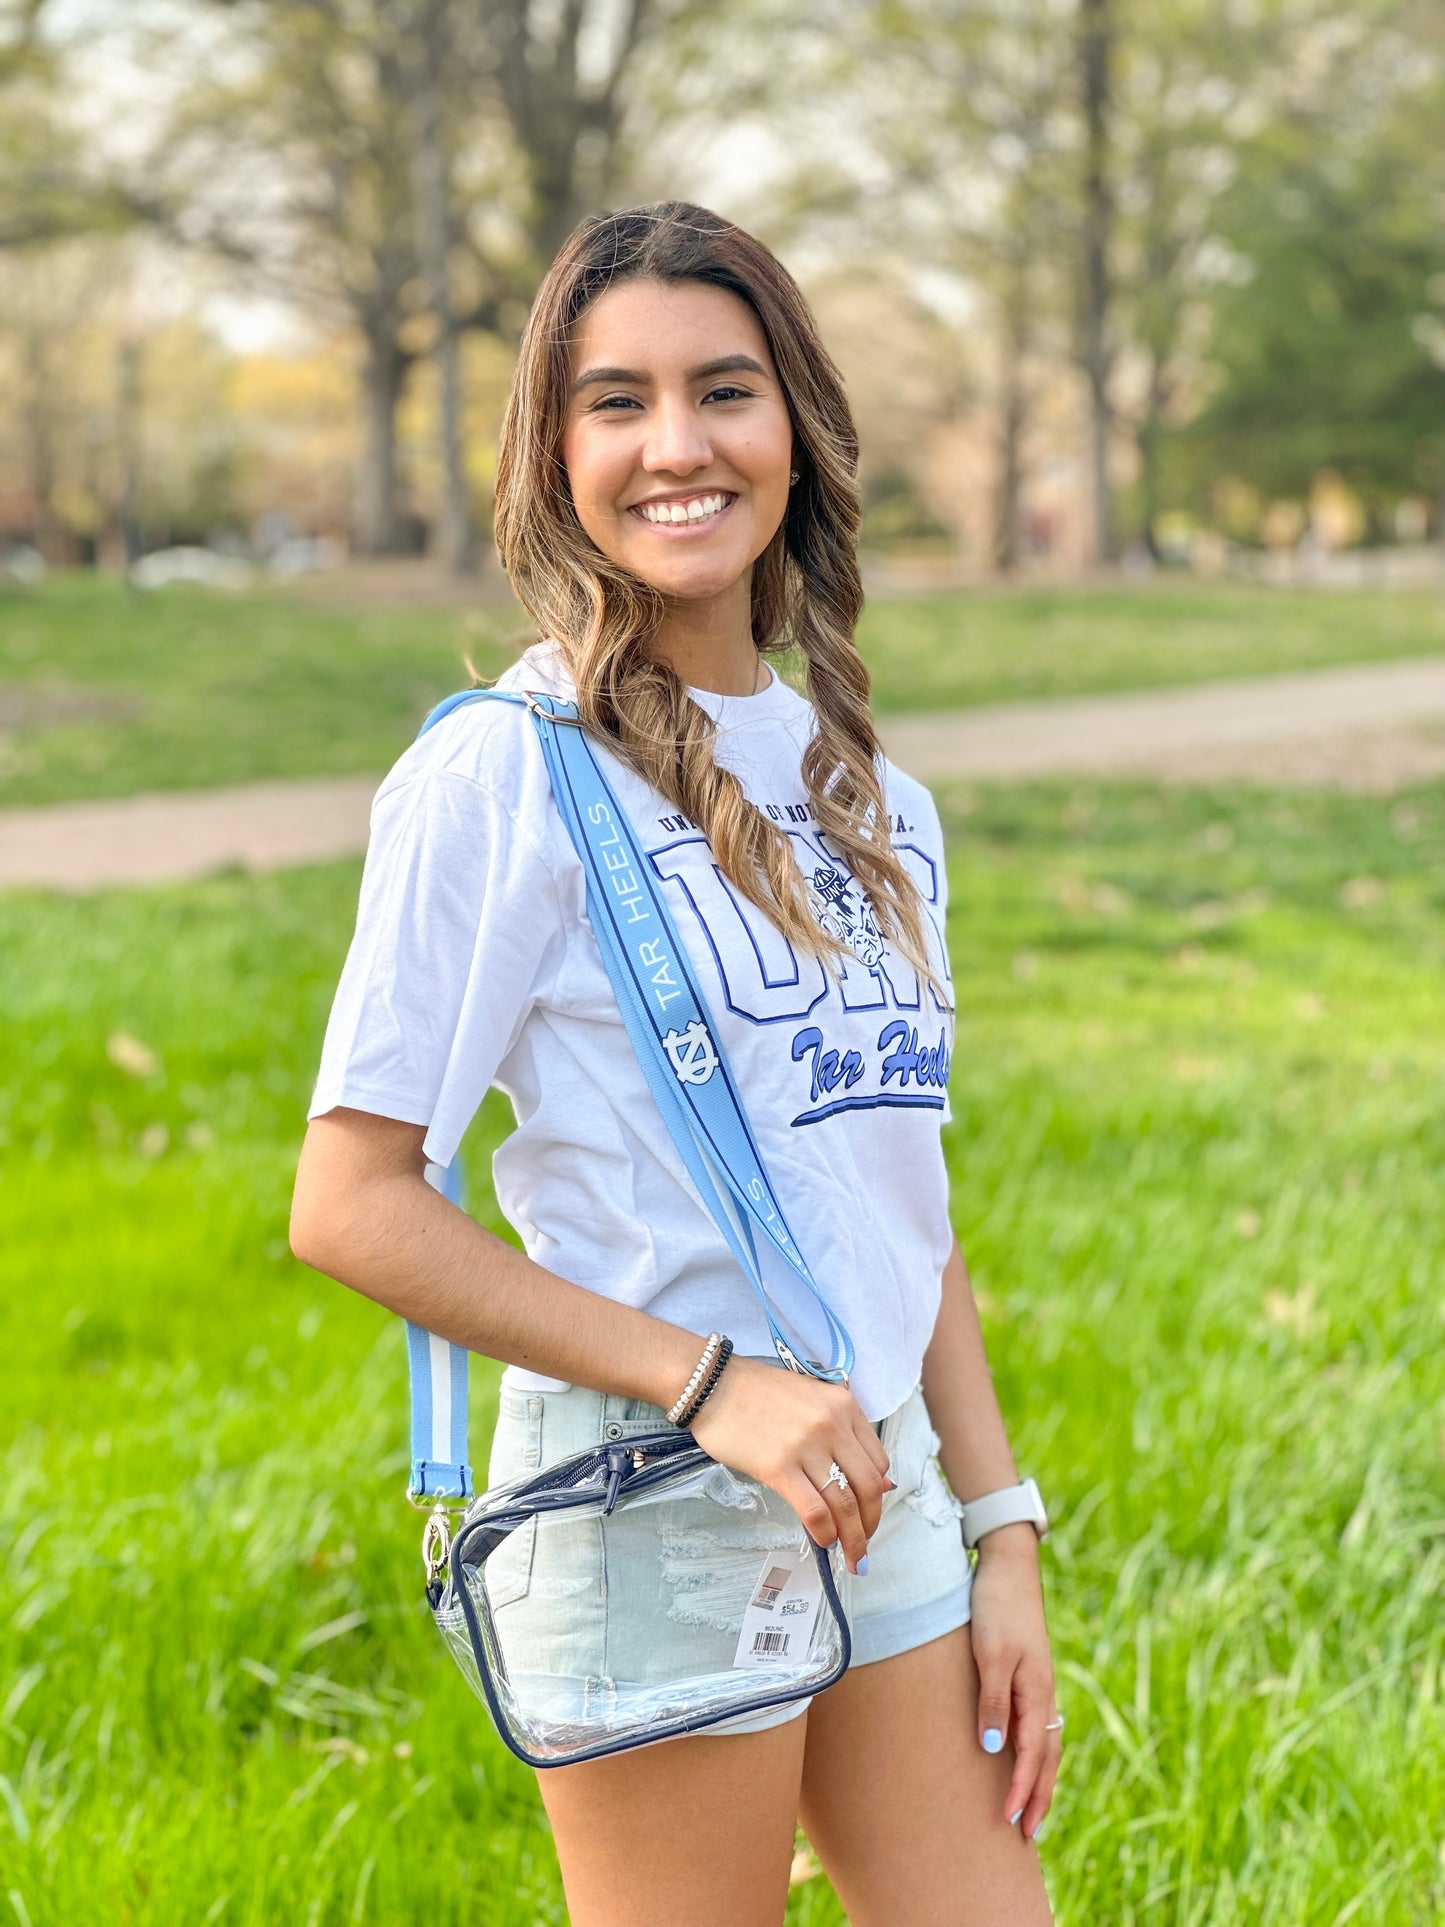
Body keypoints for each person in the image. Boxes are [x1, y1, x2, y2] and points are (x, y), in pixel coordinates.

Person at [290, 200, 1059, 1927]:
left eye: (724, 389)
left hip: (885, 1493)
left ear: (794, 425)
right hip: (650, 1489)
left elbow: (890, 1201)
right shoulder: (501, 776)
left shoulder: (879, 802)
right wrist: (711, 1385)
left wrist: (998, 1526)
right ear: (553, 457)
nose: (677, 446)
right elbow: (347, 1203)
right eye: (616, 403)